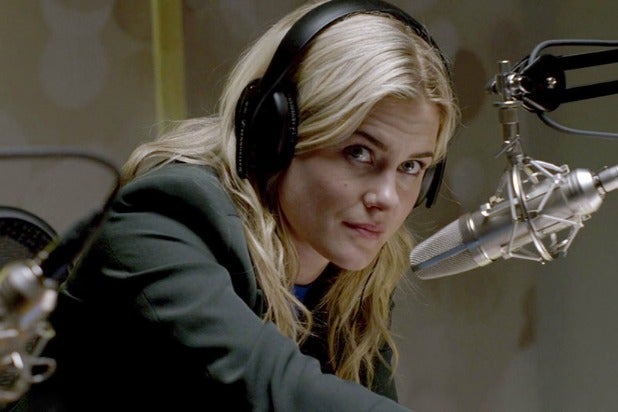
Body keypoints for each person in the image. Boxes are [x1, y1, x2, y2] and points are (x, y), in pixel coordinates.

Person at [15, 0, 459, 410]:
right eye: (359, 153)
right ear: (277, 135)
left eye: (411, 166)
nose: (387, 198)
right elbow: (270, 389)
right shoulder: (163, 219)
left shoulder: (354, 266)